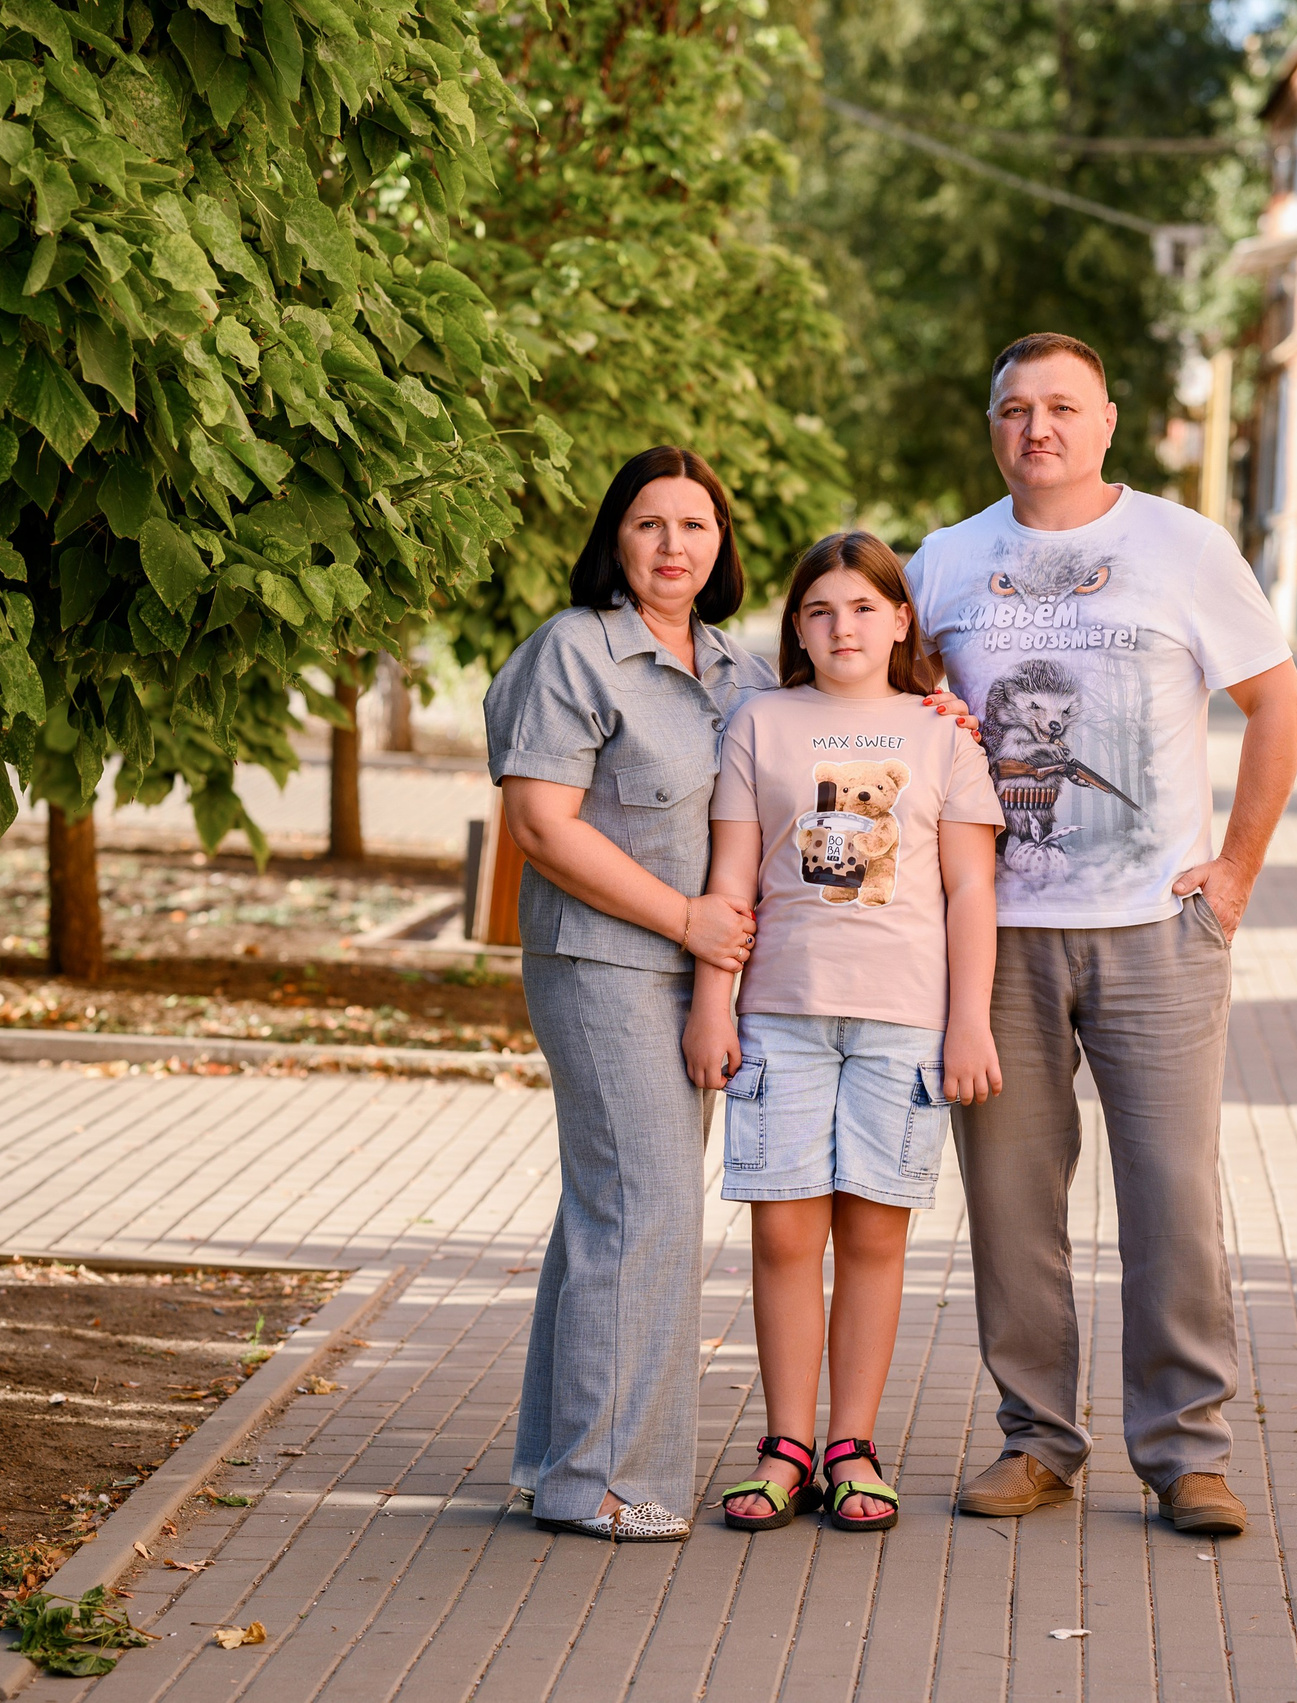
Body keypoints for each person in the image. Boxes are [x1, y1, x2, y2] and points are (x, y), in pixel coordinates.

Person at [906, 332, 1297, 1536]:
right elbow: (889, 702)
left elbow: (1279, 708)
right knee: (1011, 1202)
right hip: (997, 937)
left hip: (1154, 933)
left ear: (1108, 422)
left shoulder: (1183, 547)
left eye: (1063, 407)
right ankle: (1036, 1440)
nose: (1038, 427)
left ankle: (1186, 1452)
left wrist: (1232, 875)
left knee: (1173, 1197)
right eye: (1014, 408)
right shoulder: (944, 561)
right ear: (991, 427)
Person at [683, 532, 1004, 1534]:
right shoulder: (760, 722)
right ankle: (786, 1444)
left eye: (863, 607)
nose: (841, 626)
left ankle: (851, 1444)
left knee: (873, 1233)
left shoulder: (941, 731)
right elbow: (728, 880)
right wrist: (710, 1000)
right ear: (796, 628)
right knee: (783, 1232)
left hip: (903, 1022)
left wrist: (968, 1024)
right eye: (818, 610)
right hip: (781, 1012)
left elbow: (969, 889)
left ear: (901, 619)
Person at [482, 446, 773, 1542]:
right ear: (616, 537)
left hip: (691, 977)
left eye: (694, 526)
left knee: (605, 1210)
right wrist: (687, 921)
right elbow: (539, 827)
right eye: (650, 524)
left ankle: (551, 1461)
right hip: (599, 966)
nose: (672, 546)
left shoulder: (737, 670)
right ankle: (597, 1480)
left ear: (719, 546)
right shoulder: (572, 650)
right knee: (646, 1205)